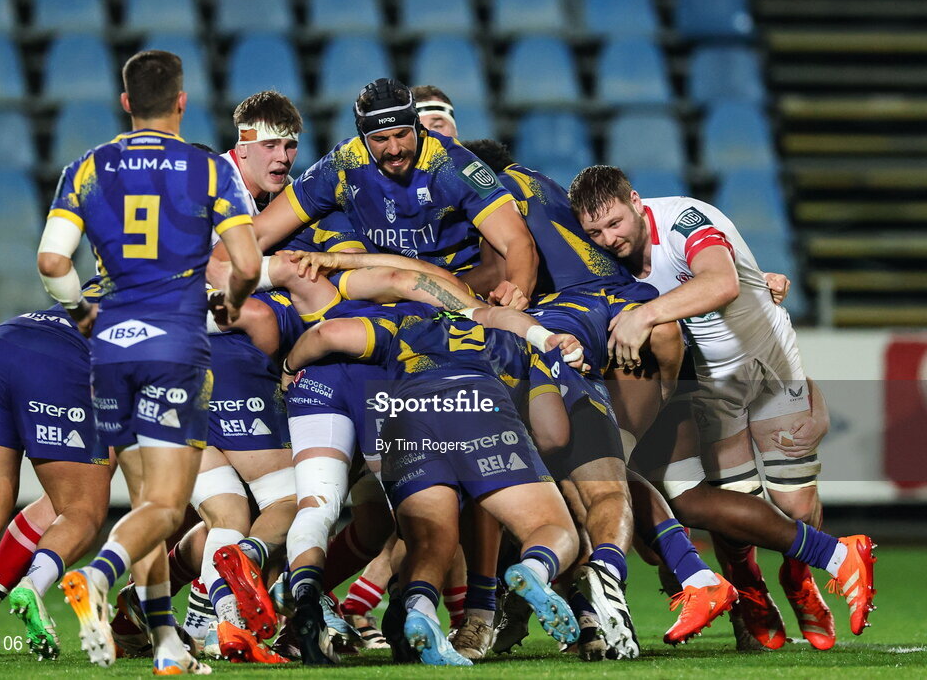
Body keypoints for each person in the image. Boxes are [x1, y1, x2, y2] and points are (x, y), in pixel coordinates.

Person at [569, 165, 878, 642]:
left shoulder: (682, 221)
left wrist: (646, 315)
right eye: (595, 231)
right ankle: (754, 595)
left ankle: (800, 581)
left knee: (795, 504)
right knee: (734, 511)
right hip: (711, 385)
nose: (608, 238)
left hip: (770, 364)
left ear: (636, 201)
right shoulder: (602, 258)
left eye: (615, 223)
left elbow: (722, 283)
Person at [37, 50, 261, 673]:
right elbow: (245, 263)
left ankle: (166, 645)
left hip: (109, 352)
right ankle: (101, 576)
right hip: (174, 350)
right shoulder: (211, 168)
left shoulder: (85, 168)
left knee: (143, 504)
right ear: (182, 102)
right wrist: (230, 304)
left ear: (127, 103)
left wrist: (82, 311)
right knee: (165, 507)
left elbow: (53, 263)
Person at [280, 306, 586, 666]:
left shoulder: (404, 326)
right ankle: (533, 570)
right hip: (476, 404)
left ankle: (421, 613)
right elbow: (553, 435)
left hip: (404, 415)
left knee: (428, 542)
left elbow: (326, 334)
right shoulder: (521, 344)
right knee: (551, 527)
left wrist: (287, 371)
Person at [0, 289, 112, 666]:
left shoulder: (110, 275)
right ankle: (33, 583)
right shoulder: (169, 294)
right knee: (83, 508)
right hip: (59, 362)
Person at [249, 78, 538, 307]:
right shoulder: (343, 163)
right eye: (380, 139)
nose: (395, 149)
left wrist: (518, 290)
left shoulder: (453, 164)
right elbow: (259, 233)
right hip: (380, 284)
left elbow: (516, 240)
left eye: (402, 134)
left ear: (417, 127)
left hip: (456, 286)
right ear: (363, 138)